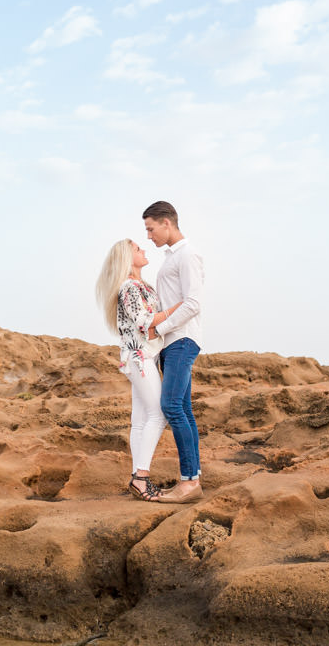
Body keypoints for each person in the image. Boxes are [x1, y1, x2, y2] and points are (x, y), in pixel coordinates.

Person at [95, 239, 182, 502]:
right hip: (139, 357)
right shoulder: (130, 287)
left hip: (142, 358)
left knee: (141, 420)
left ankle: (136, 476)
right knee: (159, 414)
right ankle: (141, 478)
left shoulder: (142, 286)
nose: (143, 249)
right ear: (127, 258)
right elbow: (146, 323)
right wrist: (183, 305)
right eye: (136, 249)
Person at [143, 201, 205, 504]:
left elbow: (193, 303)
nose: (149, 236)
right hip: (171, 341)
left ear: (167, 223)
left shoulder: (188, 255)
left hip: (181, 339)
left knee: (171, 406)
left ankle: (188, 483)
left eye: (151, 229)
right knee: (184, 410)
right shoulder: (172, 257)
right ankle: (192, 480)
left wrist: (161, 328)